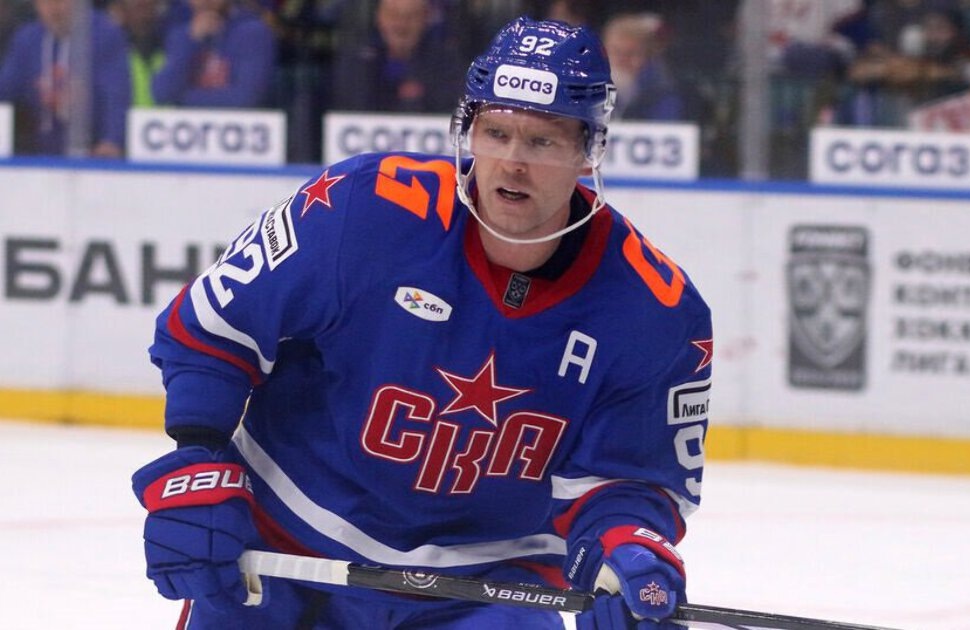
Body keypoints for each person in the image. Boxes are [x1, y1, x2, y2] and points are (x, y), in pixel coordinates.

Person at [131, 15, 712, 630]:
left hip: (486, 589)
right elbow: (213, 330)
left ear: (588, 150)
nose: (512, 163)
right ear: (468, 130)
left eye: (542, 141)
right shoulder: (363, 207)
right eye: (496, 132)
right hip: (284, 551)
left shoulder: (654, 309)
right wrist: (197, 460)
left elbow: (629, 482)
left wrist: (626, 552)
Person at [0, 0, 130, 156]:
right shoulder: (27, 39)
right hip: (41, 151)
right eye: (46, 3)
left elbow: (116, 94)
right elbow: (6, 88)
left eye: (61, 1)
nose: (54, 9)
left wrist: (112, 140)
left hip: (93, 150)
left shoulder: (105, 34)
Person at [331, 0, 462, 113]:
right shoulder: (356, 63)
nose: (401, 25)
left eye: (411, 17)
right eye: (393, 15)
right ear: (379, 18)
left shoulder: (446, 65)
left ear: (426, 18)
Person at [151, 0, 276, 107]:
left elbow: (246, 97)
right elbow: (161, 93)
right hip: (187, 125)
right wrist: (191, 41)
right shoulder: (180, 35)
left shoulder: (253, 33)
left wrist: (180, 99)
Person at [601, 11, 685, 121]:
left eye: (631, 54)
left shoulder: (662, 94)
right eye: (616, 52)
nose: (622, 60)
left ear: (649, 56)